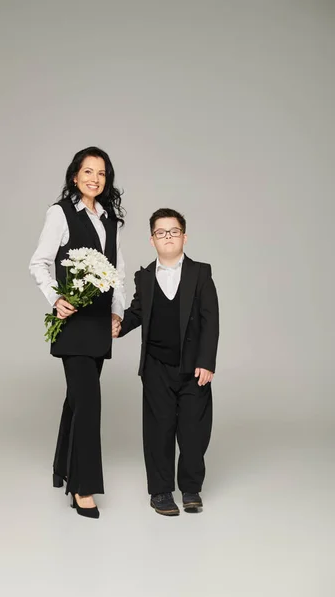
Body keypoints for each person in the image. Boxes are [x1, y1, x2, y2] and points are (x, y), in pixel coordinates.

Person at [30, 147, 125, 519]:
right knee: (89, 402)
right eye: (88, 171)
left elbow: (117, 270)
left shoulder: (111, 220)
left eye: (101, 174)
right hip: (73, 325)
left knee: (77, 399)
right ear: (75, 176)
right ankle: (82, 488)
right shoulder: (60, 213)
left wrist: (117, 313)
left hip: (100, 323)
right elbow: (39, 261)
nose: (95, 179)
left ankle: (61, 467)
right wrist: (56, 298)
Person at [112, 208, 219, 516]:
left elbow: (210, 321)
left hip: (193, 367)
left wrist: (207, 361)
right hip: (156, 365)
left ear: (184, 236)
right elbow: (137, 312)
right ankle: (160, 491)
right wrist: (118, 325)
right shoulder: (144, 277)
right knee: (158, 429)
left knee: (193, 430)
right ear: (152, 239)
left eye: (173, 231)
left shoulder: (201, 273)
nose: (168, 237)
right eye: (161, 232)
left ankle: (190, 488)